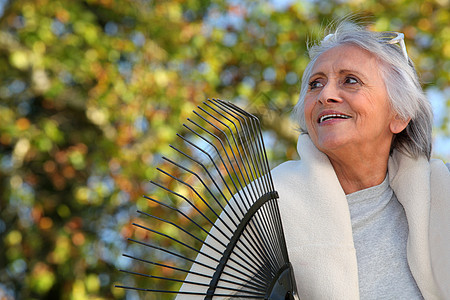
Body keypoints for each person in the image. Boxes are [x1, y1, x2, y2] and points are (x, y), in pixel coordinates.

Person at [178, 21, 450, 299]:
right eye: (315, 84)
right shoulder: (265, 207)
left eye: (350, 80)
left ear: (399, 116)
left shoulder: (441, 197)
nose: (325, 95)